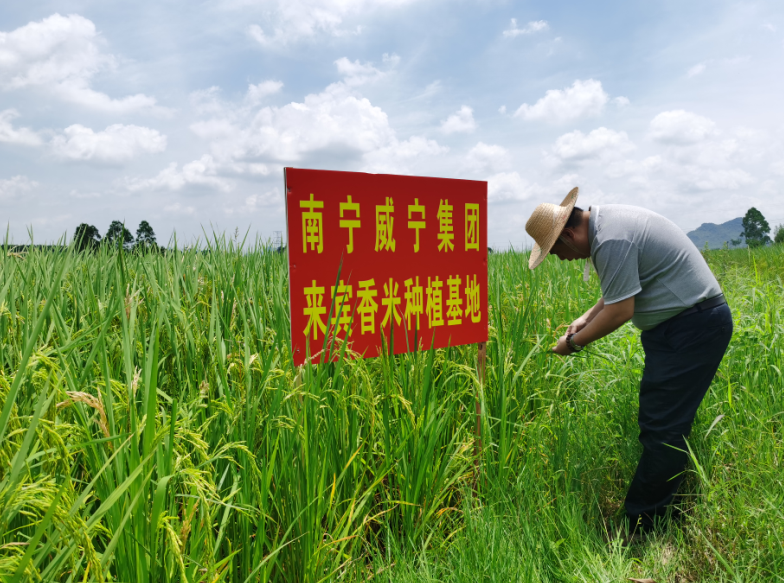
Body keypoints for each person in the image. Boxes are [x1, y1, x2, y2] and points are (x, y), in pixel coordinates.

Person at [525, 187, 733, 535]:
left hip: (690, 328)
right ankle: (667, 508)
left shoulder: (611, 239)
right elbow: (623, 286)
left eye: (557, 251)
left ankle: (641, 527)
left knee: (662, 426)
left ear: (570, 234)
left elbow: (622, 310)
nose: (562, 259)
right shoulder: (609, 225)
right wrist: (586, 317)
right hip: (683, 327)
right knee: (666, 422)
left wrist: (573, 343)